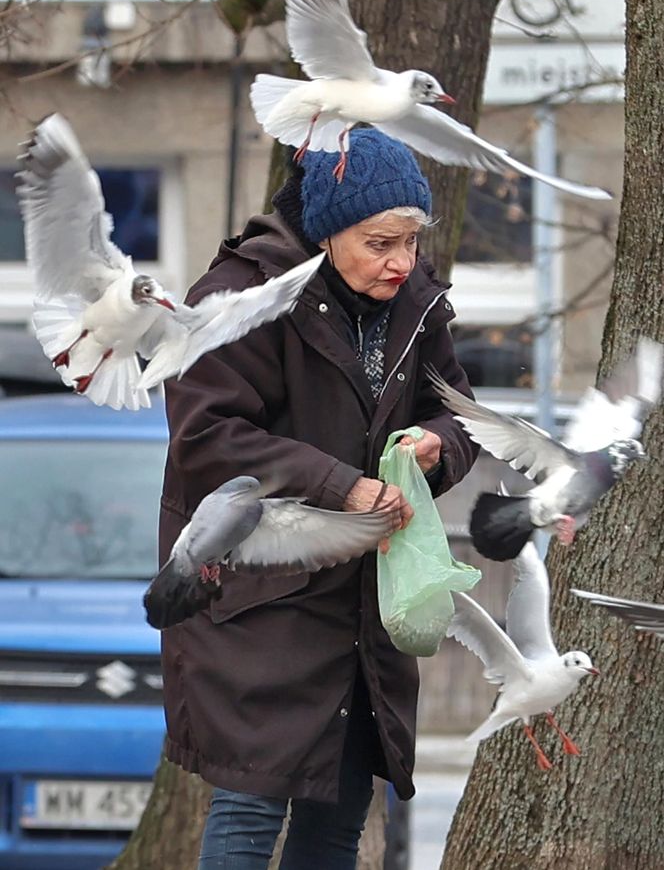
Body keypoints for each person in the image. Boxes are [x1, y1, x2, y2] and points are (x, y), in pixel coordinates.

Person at [158, 128, 479, 869]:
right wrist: (339, 484)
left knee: (337, 814)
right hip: (257, 597)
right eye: (381, 242)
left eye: (410, 239)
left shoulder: (415, 300)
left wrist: (436, 449)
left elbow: (459, 412)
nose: (402, 261)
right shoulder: (240, 298)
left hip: (366, 601)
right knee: (250, 802)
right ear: (329, 230)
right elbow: (206, 439)